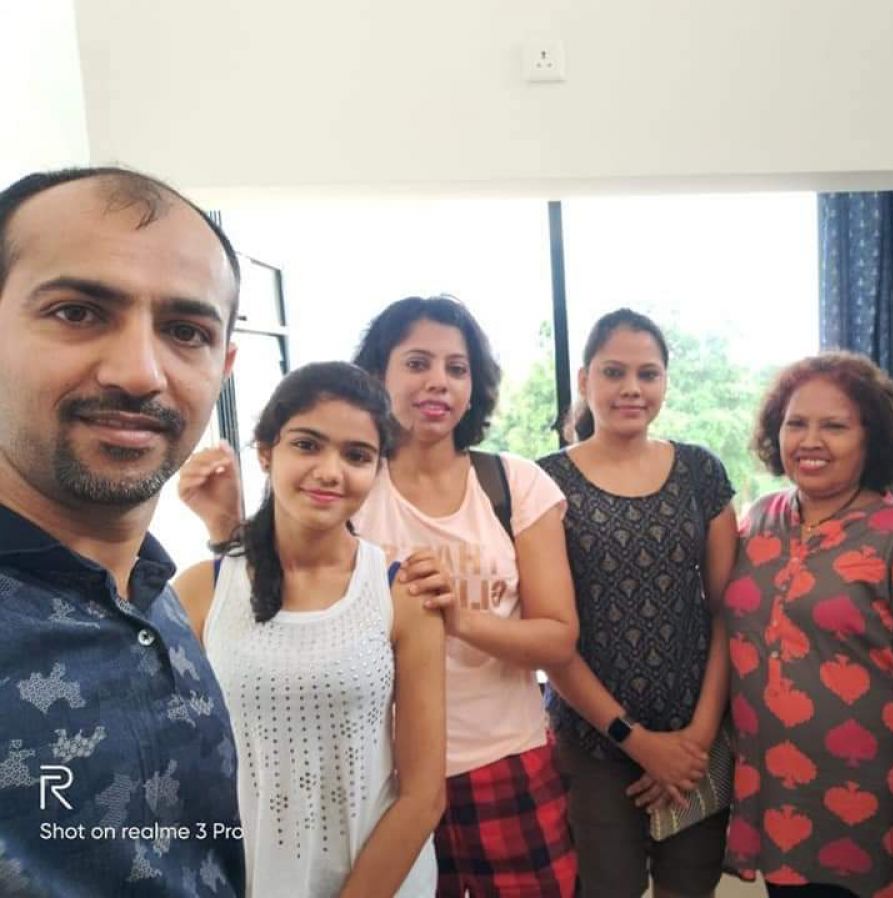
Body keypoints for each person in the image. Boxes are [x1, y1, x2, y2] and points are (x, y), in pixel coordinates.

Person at [184, 295, 580, 897]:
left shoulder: (512, 483)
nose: (438, 381)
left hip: (500, 759)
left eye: (457, 367)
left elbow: (558, 637)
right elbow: (279, 596)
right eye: (417, 362)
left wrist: (457, 617)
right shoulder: (349, 486)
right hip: (368, 786)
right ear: (379, 374)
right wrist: (225, 530)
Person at [0, 167, 245, 896]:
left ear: (223, 367)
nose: (140, 373)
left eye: (186, 332)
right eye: (77, 312)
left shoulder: (152, 591)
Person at [173, 362, 447, 897]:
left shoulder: (403, 593)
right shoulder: (201, 590)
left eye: (357, 456)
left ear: (378, 469)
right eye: (307, 445)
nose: (329, 472)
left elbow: (423, 796)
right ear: (266, 452)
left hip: (379, 879)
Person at [726, 352, 893, 898]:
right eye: (796, 423)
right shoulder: (759, 520)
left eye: (835, 426)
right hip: (781, 812)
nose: (810, 441)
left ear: (873, 439)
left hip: (876, 823)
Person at [538, 309, 738, 898]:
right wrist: (639, 742)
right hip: (593, 740)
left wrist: (696, 739)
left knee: (690, 888)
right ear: (584, 380)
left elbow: (728, 612)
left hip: (695, 735)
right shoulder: (543, 484)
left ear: (665, 382)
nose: (632, 388)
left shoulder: (701, 471)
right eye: (614, 372)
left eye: (648, 374)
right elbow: (550, 636)